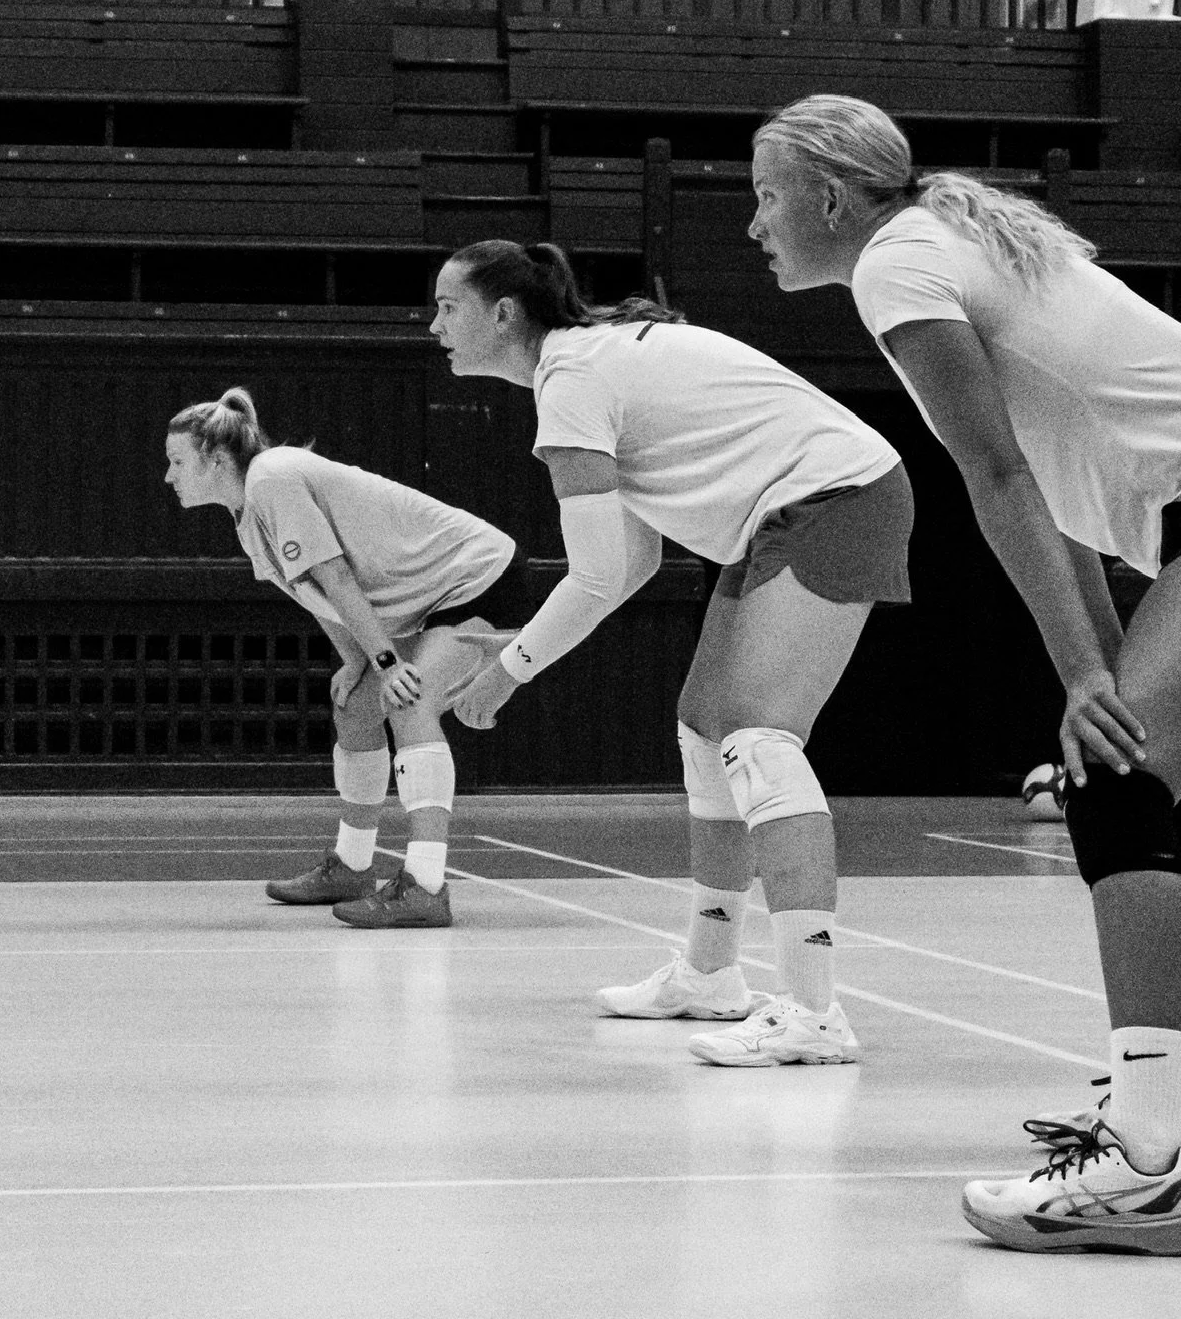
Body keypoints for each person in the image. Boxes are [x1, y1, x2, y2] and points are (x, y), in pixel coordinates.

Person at [748, 94, 1181, 1254]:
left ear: (828, 198)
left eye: (763, 197)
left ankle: (1146, 1175)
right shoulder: (934, 242)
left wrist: (1079, 678)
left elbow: (996, 477)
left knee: (1116, 790)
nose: (754, 226)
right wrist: (1094, 669)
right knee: (1147, 781)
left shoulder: (896, 266)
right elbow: (1054, 505)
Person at [432, 241, 914, 1065]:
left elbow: (592, 578)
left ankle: (815, 1013)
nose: (433, 324)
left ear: (503, 314)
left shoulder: (571, 380)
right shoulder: (585, 365)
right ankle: (710, 974)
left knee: (759, 737)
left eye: (447, 307)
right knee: (703, 728)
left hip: (838, 500)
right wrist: (520, 657)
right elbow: (631, 565)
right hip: (786, 513)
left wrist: (506, 674)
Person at [164, 388, 535, 928]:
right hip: (428, 601)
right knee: (355, 709)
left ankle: (427, 886)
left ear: (217, 460)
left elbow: (337, 576)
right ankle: (354, 867)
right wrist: (358, 661)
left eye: (177, 462)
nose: (169, 477)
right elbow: (319, 595)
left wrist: (386, 663)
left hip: (479, 577)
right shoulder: (247, 514)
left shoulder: (272, 477)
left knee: (408, 700)